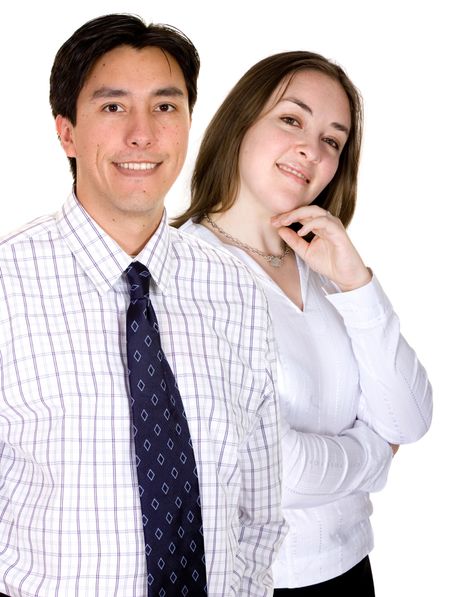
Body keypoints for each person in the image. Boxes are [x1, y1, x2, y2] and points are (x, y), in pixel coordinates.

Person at [0, 15, 287, 597]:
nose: (142, 134)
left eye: (165, 107)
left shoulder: (236, 288)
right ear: (66, 132)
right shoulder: (7, 284)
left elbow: (258, 509)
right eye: (112, 107)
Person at [173, 50, 433, 595]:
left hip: (351, 569)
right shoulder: (181, 275)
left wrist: (358, 284)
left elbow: (409, 421)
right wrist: (374, 458)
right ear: (240, 123)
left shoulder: (327, 270)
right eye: (292, 119)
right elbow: (264, 467)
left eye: (333, 141)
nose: (311, 149)